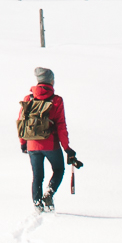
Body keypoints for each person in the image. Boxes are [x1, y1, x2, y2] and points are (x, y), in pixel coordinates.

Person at [17, 66, 78, 210]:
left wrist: (23, 142)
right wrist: (67, 148)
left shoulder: (28, 98)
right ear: (51, 81)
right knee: (58, 169)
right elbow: (61, 126)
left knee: (37, 176)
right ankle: (49, 194)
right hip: (51, 144)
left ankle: (37, 203)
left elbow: (22, 121)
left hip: (32, 143)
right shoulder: (56, 100)